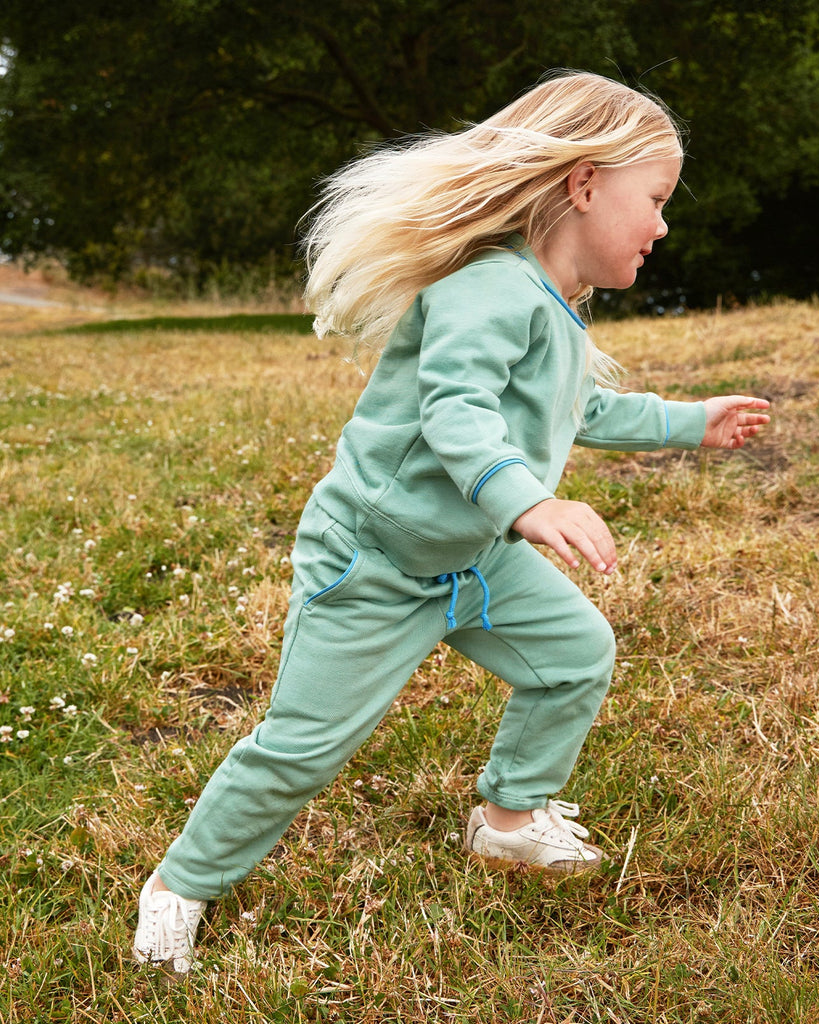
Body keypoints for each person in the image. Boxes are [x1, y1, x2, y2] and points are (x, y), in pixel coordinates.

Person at [132, 70, 770, 974]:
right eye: (656, 199)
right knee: (303, 747)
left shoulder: (552, 307)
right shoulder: (488, 288)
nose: (663, 224)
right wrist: (531, 502)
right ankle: (180, 885)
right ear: (583, 184)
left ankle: (509, 821)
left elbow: (575, 411)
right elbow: (457, 413)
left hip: (472, 556)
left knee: (574, 655)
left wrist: (689, 421)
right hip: (377, 565)